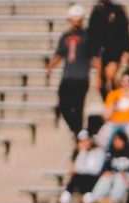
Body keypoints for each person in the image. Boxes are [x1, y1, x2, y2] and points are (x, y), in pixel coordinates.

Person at [47, 5, 90, 134]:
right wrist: (51, 65)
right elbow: (60, 54)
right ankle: (77, 131)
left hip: (81, 76)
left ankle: (79, 133)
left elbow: (94, 56)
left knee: (77, 107)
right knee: (63, 105)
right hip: (68, 75)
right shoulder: (65, 36)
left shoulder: (87, 36)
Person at [85, 0, 129, 95]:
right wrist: (91, 54)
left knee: (111, 76)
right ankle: (109, 103)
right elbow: (91, 34)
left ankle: (119, 98)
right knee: (100, 82)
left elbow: (125, 32)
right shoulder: (96, 11)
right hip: (99, 53)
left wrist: (126, 50)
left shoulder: (118, 10)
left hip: (114, 51)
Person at [89, 129, 129, 203]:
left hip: (128, 178)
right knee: (106, 176)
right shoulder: (111, 154)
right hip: (114, 177)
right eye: (115, 140)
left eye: (119, 140)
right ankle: (96, 198)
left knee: (120, 177)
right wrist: (106, 172)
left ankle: (113, 199)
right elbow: (105, 168)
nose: (117, 142)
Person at [96, 69, 129, 146]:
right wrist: (113, 106)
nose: (126, 84)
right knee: (101, 138)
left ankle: (124, 154)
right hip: (114, 123)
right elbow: (105, 116)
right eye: (123, 81)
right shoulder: (113, 94)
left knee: (126, 138)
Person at [60, 131, 106, 203]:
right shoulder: (81, 153)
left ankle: (88, 194)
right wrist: (82, 152)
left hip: (93, 178)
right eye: (83, 141)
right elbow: (78, 168)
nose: (86, 143)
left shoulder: (98, 152)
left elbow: (95, 170)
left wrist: (82, 170)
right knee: (76, 177)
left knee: (87, 176)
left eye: (87, 140)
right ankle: (67, 194)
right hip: (82, 178)